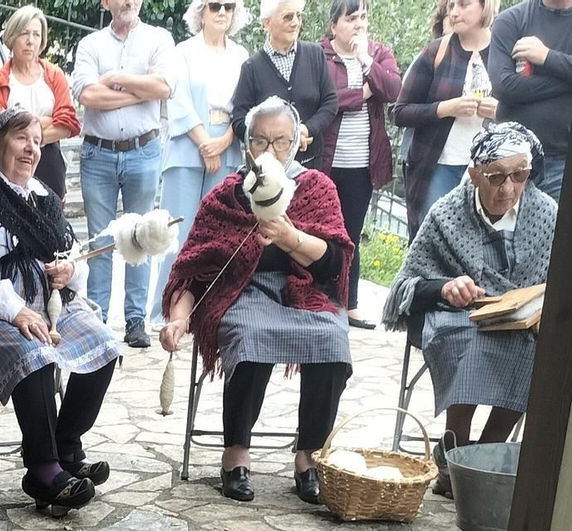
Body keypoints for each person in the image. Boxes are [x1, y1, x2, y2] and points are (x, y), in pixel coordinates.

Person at [0, 110, 124, 513]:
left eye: (37, 141)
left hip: (47, 304)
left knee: (105, 346)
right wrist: (15, 311)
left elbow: (73, 252)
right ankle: (43, 469)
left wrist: (70, 269)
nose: (32, 148)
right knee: (34, 355)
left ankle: (66, 447)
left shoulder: (43, 198)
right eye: (21, 139)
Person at [161, 96, 354, 504]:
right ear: (246, 146)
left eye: (281, 142)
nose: (270, 152)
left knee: (333, 342)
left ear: (297, 144)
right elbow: (194, 268)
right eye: (261, 142)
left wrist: (291, 238)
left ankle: (310, 455)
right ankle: (236, 454)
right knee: (249, 334)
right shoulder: (226, 196)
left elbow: (335, 261)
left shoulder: (317, 188)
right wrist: (180, 318)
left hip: (307, 292)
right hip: (242, 291)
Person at [383, 121, 554, 490]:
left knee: (539, 351)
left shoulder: (546, 213)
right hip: (456, 316)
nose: (508, 188)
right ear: (474, 175)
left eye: (519, 175)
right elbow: (405, 285)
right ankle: (454, 443)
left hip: (520, 320)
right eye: (496, 177)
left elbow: (558, 281)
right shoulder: (447, 212)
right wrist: (446, 286)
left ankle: (487, 453)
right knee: (467, 339)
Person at [70, 0, 178, 345]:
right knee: (101, 238)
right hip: (98, 153)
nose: (128, 1)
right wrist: (139, 90)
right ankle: (98, 316)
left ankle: (135, 321)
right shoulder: (90, 45)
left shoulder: (159, 39)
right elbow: (87, 94)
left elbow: (163, 88)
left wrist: (115, 80)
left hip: (143, 151)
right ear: (105, 2)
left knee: (143, 234)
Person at [319, 0, 402, 323]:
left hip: (362, 163)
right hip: (326, 161)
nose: (358, 24)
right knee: (321, 230)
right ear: (334, 24)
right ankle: (317, 296)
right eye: (351, 18)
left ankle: (347, 303)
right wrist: (364, 94)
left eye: (363, 17)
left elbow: (394, 89)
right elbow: (328, 100)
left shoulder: (379, 53)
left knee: (350, 233)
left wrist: (366, 60)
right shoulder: (320, 55)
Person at [393, 0, 499, 237]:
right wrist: (444, 108)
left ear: (485, 6)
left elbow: (526, 113)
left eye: (463, 5)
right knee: (433, 242)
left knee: (477, 246)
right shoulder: (436, 51)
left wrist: (499, 111)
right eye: (451, 5)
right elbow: (399, 112)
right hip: (439, 165)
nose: (454, 12)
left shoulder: (503, 52)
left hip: (489, 170)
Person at [161, 0, 250, 260]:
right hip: (188, 146)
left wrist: (223, 143)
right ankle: (167, 301)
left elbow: (244, 104)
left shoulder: (241, 55)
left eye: (229, 6)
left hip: (227, 145)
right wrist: (206, 145)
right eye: (215, 5)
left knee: (216, 236)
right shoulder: (183, 52)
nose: (222, 12)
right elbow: (179, 101)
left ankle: (208, 301)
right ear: (201, 12)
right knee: (175, 238)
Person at [487, 0, 572, 200]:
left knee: (559, 231)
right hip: (510, 159)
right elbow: (504, 87)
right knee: (500, 231)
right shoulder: (511, 20)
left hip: (567, 161)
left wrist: (547, 57)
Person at [0, 5, 82, 201]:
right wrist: (44, 121)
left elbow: (68, 125)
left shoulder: (54, 75)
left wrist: (25, 133)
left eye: (36, 35)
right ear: (12, 38)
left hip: (49, 163)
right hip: (9, 163)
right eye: (24, 34)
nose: (30, 41)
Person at [231, 0, 339, 166]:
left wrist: (306, 129)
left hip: (310, 165)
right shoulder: (251, 67)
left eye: (298, 16)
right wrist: (271, 141)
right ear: (267, 23)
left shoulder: (315, 54)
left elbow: (330, 102)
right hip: (269, 171)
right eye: (288, 17)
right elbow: (239, 119)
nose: (295, 22)